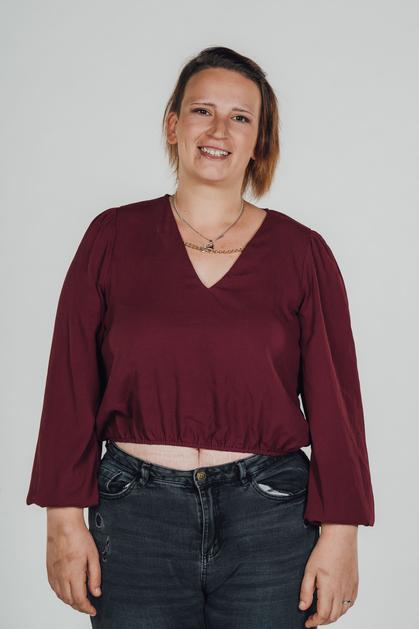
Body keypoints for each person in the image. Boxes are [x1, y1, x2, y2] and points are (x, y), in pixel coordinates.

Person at [26, 46, 375, 629]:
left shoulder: (302, 253)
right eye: (202, 111)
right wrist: (63, 519)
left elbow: (337, 403)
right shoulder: (112, 237)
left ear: (259, 141)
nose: (218, 131)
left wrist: (342, 533)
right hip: (136, 519)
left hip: (270, 516)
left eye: (240, 117)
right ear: (173, 125)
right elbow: (70, 382)